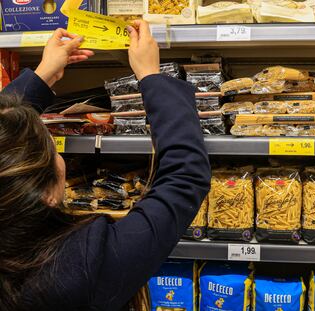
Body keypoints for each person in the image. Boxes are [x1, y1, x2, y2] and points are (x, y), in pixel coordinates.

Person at [0, 21, 211, 310]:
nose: (60, 159)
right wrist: (151, 75)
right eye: (53, 151)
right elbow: (184, 177)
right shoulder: (81, 266)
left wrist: (43, 74)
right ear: (47, 196)